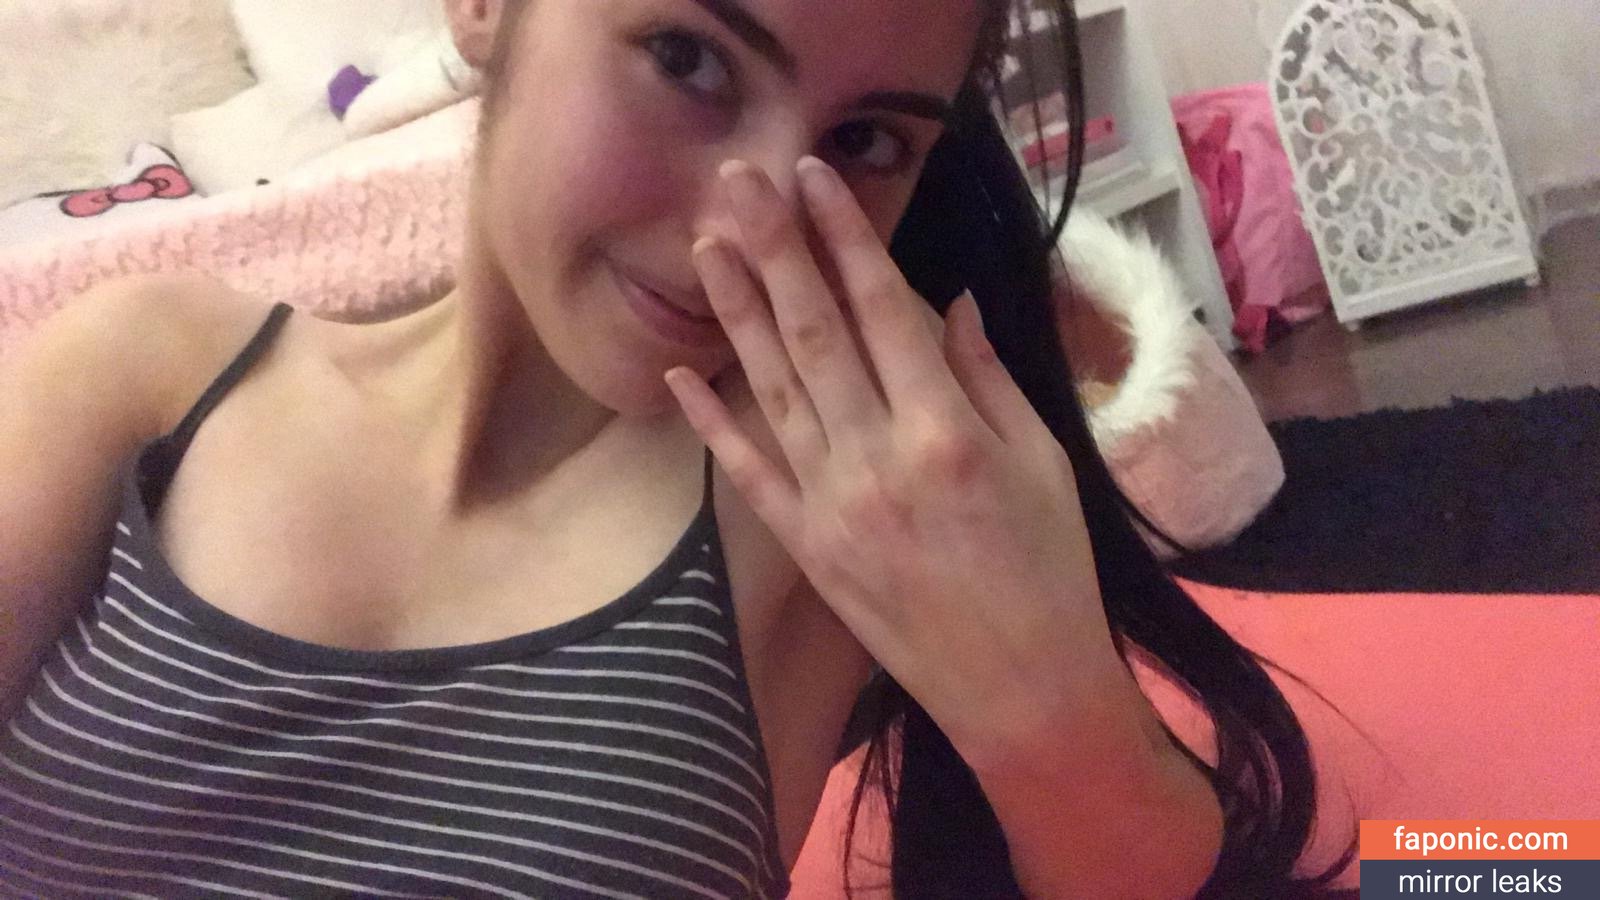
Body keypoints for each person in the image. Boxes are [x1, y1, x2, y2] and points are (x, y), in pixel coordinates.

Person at [0, 0, 1356, 896]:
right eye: (688, 59)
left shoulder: (831, 503)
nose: (741, 223)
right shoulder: (144, 372)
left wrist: (1049, 703)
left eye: (865, 140)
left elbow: (1403, 865)